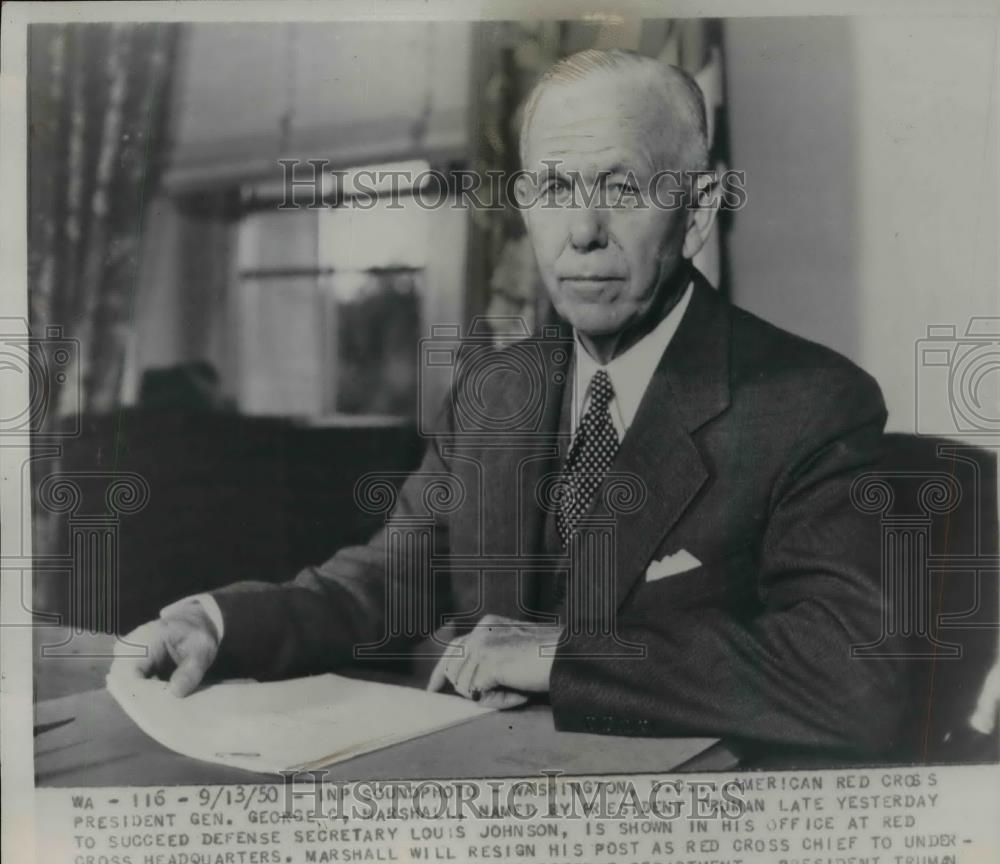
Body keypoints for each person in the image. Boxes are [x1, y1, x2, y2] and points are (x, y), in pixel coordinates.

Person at [114, 49, 912, 755]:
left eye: (622, 186)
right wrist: (218, 625)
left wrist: (564, 653)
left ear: (697, 211)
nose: (582, 232)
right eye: (556, 187)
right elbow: (387, 582)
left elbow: (859, 679)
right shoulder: (498, 391)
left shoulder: (811, 402)